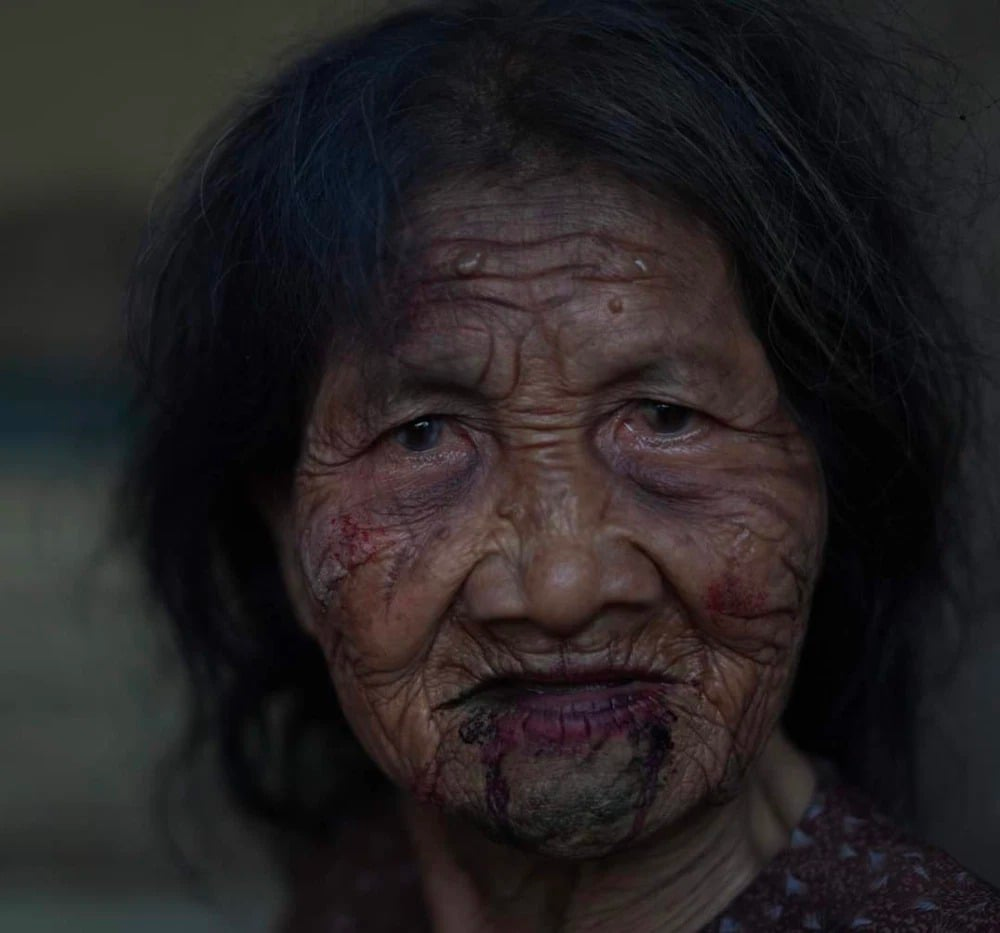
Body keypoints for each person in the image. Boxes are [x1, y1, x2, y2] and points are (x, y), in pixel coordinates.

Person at [123, 0, 1000, 929]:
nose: (560, 584)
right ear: (290, 545)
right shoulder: (365, 888)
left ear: (827, 490)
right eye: (422, 434)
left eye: (666, 417)